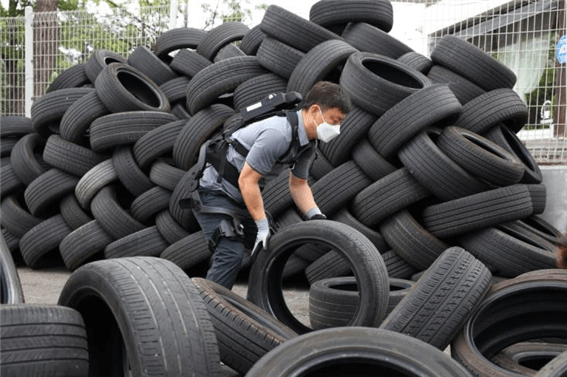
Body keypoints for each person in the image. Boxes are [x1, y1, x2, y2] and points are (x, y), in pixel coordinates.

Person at [192, 81, 351, 289]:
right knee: (231, 254)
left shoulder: (308, 143)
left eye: (340, 123)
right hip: (214, 193)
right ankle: (208, 313)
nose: (336, 129)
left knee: (272, 249)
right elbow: (247, 180)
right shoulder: (278, 134)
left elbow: (299, 184)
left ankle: (257, 307)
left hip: (241, 196)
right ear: (314, 111)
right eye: (334, 120)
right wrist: (261, 225)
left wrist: (316, 217)